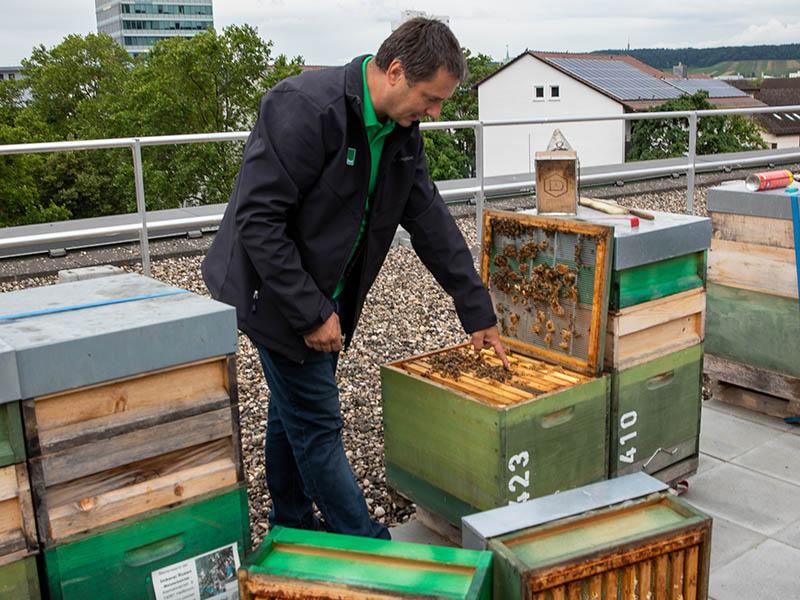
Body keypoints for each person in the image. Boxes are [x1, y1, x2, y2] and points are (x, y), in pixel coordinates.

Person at [201, 17, 508, 540]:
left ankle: (290, 525)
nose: (433, 113)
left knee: (289, 412)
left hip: (327, 291)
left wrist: (477, 310)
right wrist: (312, 312)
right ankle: (368, 547)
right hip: (272, 290)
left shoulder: (402, 134)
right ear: (394, 72)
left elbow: (431, 222)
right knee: (318, 426)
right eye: (431, 99)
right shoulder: (304, 108)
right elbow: (258, 220)